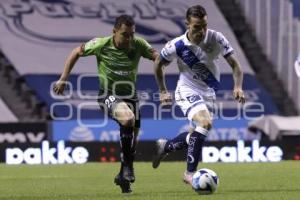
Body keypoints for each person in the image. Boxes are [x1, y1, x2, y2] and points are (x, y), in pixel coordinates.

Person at [53, 14, 158, 193]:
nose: (129, 38)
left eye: (132, 34)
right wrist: (63, 79)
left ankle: (123, 179)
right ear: (114, 32)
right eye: (125, 34)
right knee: (128, 119)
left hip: (131, 97)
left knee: (132, 144)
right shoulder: (101, 44)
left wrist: (161, 60)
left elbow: (157, 55)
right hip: (107, 95)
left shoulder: (139, 44)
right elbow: (76, 52)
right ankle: (127, 169)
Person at [152, 5, 246, 185]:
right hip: (187, 89)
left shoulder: (216, 37)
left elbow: (235, 65)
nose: (202, 31)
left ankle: (166, 146)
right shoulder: (177, 45)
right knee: (205, 123)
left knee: (195, 135)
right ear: (187, 24)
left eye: (204, 26)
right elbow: (158, 64)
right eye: (197, 27)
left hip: (209, 92)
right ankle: (190, 173)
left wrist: (238, 87)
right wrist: (163, 91)